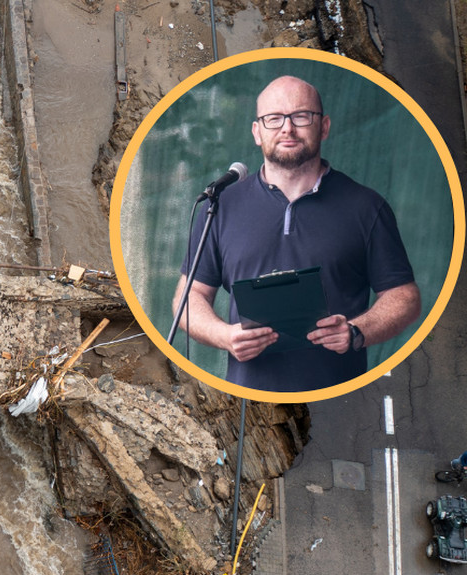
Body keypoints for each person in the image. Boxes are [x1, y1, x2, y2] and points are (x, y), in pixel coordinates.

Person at [172, 75, 420, 392]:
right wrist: (225, 336)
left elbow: (404, 297)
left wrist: (356, 331)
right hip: (247, 399)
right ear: (256, 132)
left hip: (341, 397)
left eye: (301, 116)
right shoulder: (221, 206)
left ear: (324, 126)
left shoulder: (366, 206)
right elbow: (188, 297)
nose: (287, 128)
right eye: (273, 119)